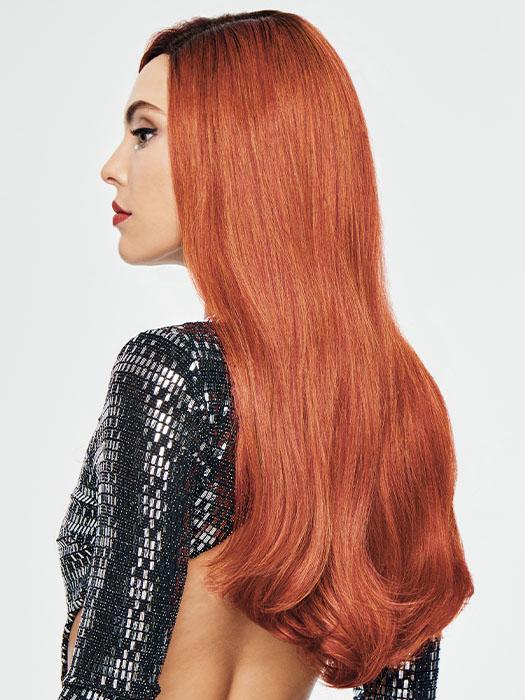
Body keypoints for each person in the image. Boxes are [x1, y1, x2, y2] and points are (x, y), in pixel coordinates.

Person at [56, 10, 474, 700]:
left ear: (237, 150)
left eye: (144, 132)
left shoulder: (172, 373)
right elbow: (404, 682)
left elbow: (113, 676)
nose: (111, 167)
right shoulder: (394, 396)